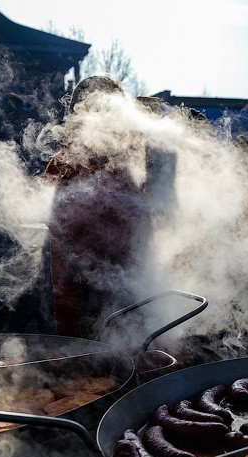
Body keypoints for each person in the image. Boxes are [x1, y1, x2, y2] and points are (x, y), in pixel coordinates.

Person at [44, 76, 146, 339]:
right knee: (96, 361)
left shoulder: (128, 164)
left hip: (119, 283)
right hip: (85, 286)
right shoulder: (69, 162)